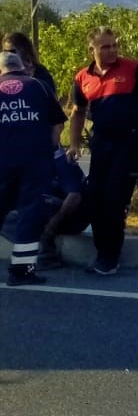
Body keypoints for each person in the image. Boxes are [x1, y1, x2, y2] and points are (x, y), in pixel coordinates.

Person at [67, 26, 138, 276]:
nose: (112, 50)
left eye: (114, 45)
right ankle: (102, 253)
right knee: (94, 197)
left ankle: (109, 258)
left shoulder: (132, 68)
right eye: (106, 46)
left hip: (130, 140)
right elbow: (77, 112)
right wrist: (74, 143)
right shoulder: (83, 77)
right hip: (101, 142)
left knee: (114, 198)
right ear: (92, 49)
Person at [0, 49, 66, 285]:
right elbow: (57, 124)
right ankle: (21, 271)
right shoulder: (39, 87)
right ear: (22, 66)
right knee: (30, 214)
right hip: (34, 163)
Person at [1, 30, 57, 102]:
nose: (8, 55)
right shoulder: (2, 75)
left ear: (23, 50)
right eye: (5, 52)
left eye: (11, 52)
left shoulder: (40, 72)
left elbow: (52, 102)